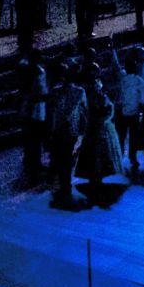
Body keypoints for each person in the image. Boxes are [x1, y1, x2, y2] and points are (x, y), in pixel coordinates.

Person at [47, 67, 89, 200]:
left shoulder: (55, 92)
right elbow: (85, 108)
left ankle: (61, 182)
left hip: (58, 128)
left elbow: (51, 111)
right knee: (67, 156)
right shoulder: (79, 92)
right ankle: (65, 183)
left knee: (59, 155)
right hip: (72, 129)